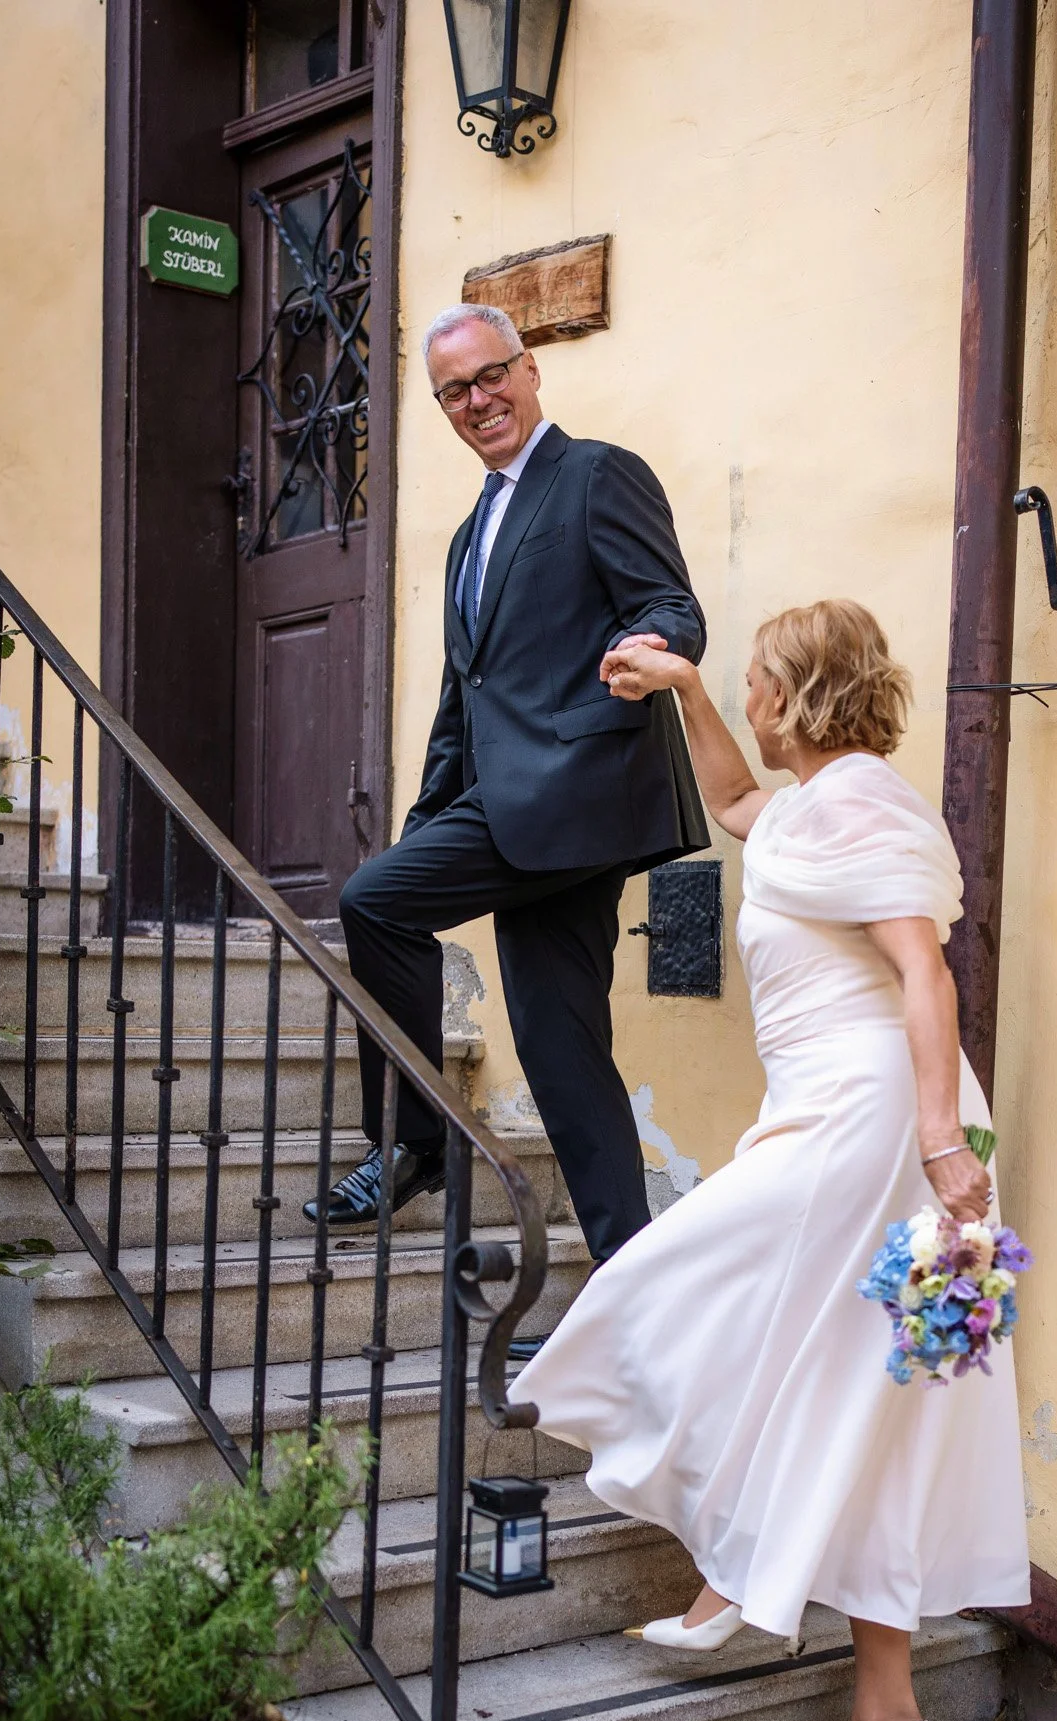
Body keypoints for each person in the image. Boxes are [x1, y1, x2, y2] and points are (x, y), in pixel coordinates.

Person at [512, 599, 1030, 1721]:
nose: (745, 699)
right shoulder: (809, 802)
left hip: (873, 1122)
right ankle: (883, 1714)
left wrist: (944, 1145)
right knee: (863, 1403)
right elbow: (740, 805)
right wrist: (687, 689)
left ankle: (737, 1568)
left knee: (669, 1286)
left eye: (752, 681)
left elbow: (924, 968)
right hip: (834, 1111)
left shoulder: (860, 803)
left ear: (795, 695)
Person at [308, 303, 708, 1273]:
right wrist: (420, 824)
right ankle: (633, 1291)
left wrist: (654, 648)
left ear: (530, 371)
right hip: (520, 811)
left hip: (582, 790)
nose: (478, 400)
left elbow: (669, 602)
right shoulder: (467, 537)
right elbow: (463, 703)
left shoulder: (594, 475)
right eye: (456, 390)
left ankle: (413, 1141)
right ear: (443, 407)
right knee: (564, 1055)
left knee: (374, 903)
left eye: (492, 376)